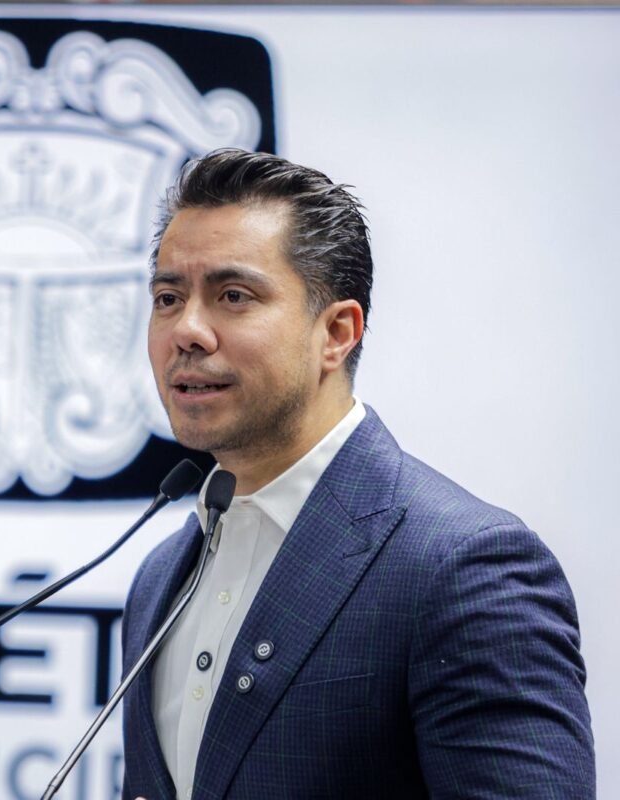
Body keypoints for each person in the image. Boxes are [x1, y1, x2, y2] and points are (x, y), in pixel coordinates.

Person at [121, 149, 594, 799]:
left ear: (337, 332)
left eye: (233, 296)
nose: (188, 331)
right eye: (168, 298)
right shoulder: (159, 578)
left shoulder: (464, 568)